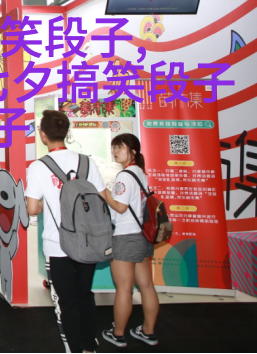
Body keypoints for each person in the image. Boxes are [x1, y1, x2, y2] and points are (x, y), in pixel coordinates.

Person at [25, 110, 106, 354]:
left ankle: (74, 348)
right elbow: (102, 199)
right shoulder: (87, 162)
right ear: (67, 132)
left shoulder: (38, 166)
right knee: (85, 295)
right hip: (88, 241)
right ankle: (89, 346)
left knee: (66, 302)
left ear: (43, 135)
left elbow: (32, 209)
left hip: (57, 244)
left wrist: (46, 203)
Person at [101, 134, 159, 348]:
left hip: (125, 237)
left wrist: (103, 191)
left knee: (124, 289)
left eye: (120, 147)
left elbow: (120, 207)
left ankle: (118, 334)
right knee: (147, 286)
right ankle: (148, 331)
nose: (115, 151)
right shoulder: (140, 173)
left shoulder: (124, 176)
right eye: (114, 147)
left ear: (133, 151)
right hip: (143, 236)